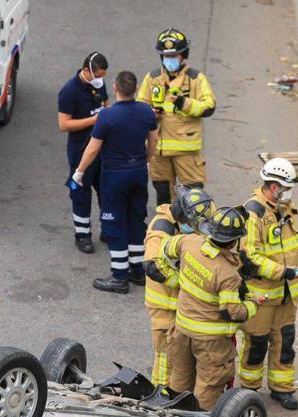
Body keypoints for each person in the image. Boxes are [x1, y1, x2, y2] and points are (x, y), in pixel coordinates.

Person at [161, 206, 263, 410]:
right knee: (207, 390)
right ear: (234, 240)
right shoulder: (227, 273)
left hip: (182, 331)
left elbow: (166, 249)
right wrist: (253, 305)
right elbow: (231, 312)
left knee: (179, 381)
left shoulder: (189, 242)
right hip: (211, 343)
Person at [73, 71, 157, 293]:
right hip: (138, 172)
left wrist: (79, 172)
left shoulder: (107, 116)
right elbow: (154, 140)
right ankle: (137, 271)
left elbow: (93, 148)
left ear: (115, 88)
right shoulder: (146, 111)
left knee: (114, 223)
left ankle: (119, 275)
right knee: (136, 219)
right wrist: (146, 161)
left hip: (115, 176)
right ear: (136, 88)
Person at [237, 158, 298, 409]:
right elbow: (249, 256)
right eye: (287, 187)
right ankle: (248, 390)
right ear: (275, 187)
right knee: (256, 343)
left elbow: (294, 242)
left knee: (285, 340)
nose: (290, 193)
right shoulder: (252, 212)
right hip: (263, 292)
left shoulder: (286, 208)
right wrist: (282, 272)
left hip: (288, 291)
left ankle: (281, 388)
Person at [144, 185, 214, 385]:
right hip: (165, 305)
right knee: (166, 357)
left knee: (182, 355)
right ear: (181, 218)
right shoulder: (162, 229)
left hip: (181, 304)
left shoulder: (197, 208)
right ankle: (160, 397)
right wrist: (186, 283)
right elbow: (152, 267)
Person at [137, 28, 216, 206]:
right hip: (159, 151)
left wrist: (184, 103)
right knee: (163, 197)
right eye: (166, 56)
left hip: (186, 152)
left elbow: (209, 106)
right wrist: (151, 112)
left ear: (183, 55)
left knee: (194, 198)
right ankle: (166, 232)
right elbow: (139, 106)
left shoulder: (195, 79)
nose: (170, 59)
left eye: (174, 55)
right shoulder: (152, 78)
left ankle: (192, 233)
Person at [57, 52, 109, 253]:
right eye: (97, 75)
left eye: (102, 76)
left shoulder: (99, 84)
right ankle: (82, 234)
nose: (100, 80)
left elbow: (105, 105)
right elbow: (64, 124)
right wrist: (95, 120)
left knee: (106, 191)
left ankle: (108, 229)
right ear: (86, 71)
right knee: (80, 193)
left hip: (102, 148)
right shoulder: (69, 92)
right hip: (81, 150)